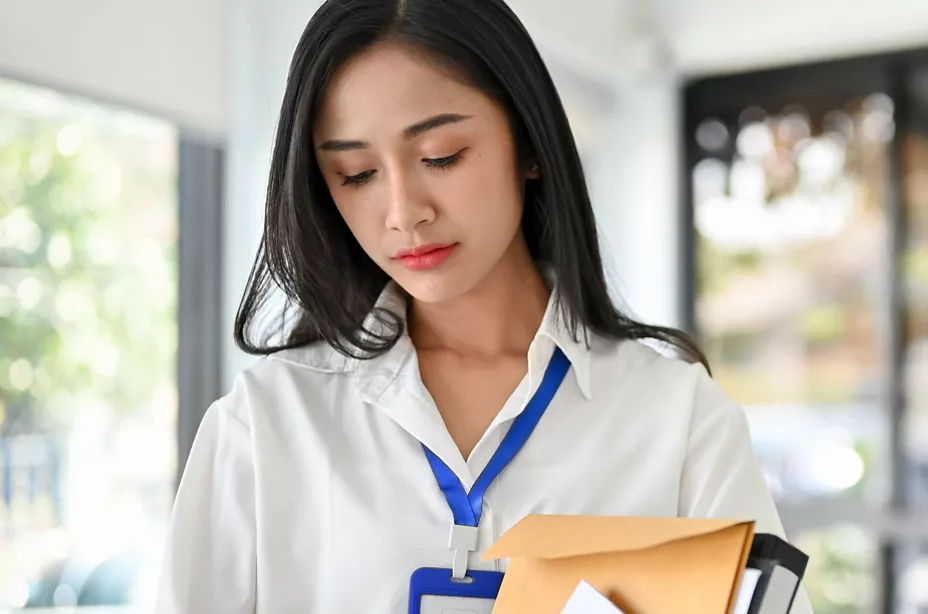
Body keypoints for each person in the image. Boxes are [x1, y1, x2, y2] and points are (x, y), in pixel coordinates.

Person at [155, 1, 809, 612]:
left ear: (526, 142)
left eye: (442, 156)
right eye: (356, 173)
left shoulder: (678, 420)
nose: (404, 212)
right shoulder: (265, 425)